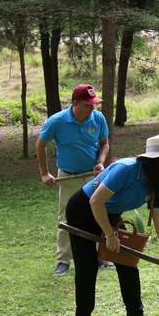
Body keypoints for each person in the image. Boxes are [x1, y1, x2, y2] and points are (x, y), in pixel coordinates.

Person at [66, 134, 159, 316]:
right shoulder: (125, 170)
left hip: (109, 213)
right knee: (87, 268)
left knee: (128, 263)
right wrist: (111, 234)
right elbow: (96, 202)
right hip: (83, 210)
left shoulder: (156, 183)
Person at [36, 84, 113, 277]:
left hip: (93, 175)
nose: (92, 108)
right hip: (68, 176)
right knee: (66, 217)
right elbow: (40, 144)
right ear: (75, 103)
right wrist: (45, 173)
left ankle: (99, 254)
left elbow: (104, 144)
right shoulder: (57, 121)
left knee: (98, 213)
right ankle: (64, 260)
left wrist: (100, 162)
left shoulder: (98, 118)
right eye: (88, 104)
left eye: (94, 104)